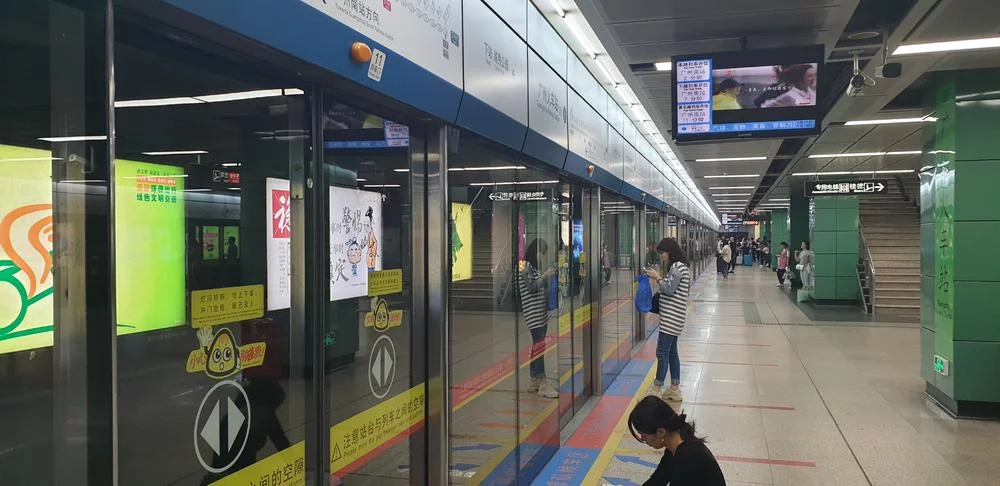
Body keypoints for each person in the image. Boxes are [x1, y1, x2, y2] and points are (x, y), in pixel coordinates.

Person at [628, 396, 727, 486]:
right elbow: (657, 481)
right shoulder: (675, 447)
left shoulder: (687, 456)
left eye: (643, 434)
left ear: (661, 432)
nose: (642, 438)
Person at [644, 238, 691, 402]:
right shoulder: (681, 267)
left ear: (669, 252)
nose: (661, 256)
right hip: (675, 317)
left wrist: (657, 278)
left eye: (662, 252)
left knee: (662, 353)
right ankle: (674, 389)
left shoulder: (677, 268)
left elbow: (669, 290)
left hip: (671, 319)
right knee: (672, 353)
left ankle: (656, 389)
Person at [517, 239, 558, 399]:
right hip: (533, 314)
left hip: (540, 314)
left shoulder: (533, 268)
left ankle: (534, 379)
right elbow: (531, 287)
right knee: (539, 346)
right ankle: (543, 383)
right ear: (535, 251)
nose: (542, 257)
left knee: (537, 346)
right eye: (541, 253)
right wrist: (545, 276)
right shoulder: (524, 267)